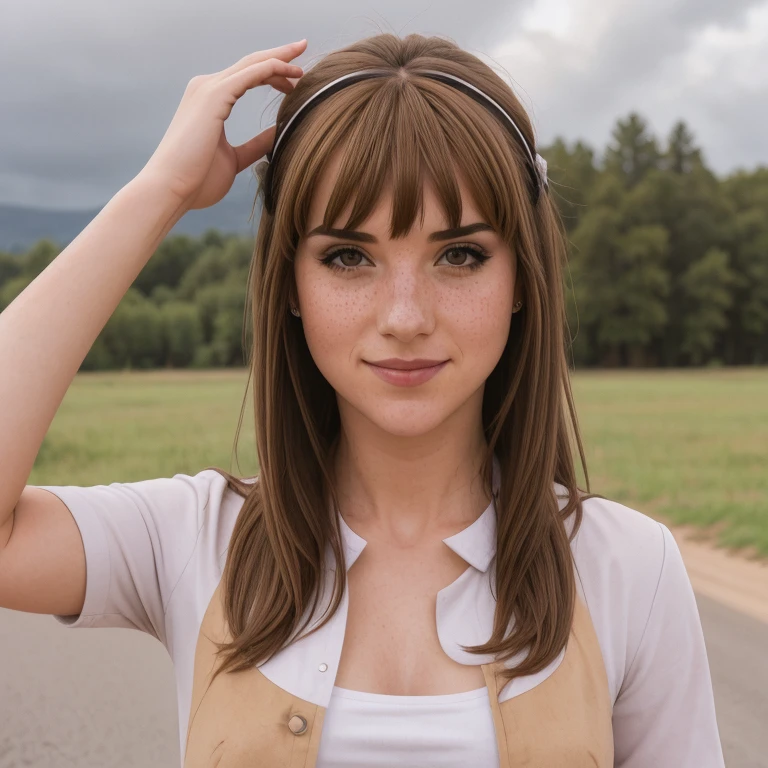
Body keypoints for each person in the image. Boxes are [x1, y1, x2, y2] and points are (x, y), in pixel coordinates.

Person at [0, 33, 725, 768]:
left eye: (459, 254)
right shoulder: (196, 541)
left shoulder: (628, 567)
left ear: (519, 280)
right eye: (349, 256)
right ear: (290, 283)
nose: (405, 316)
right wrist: (159, 192)